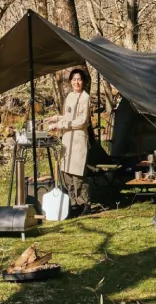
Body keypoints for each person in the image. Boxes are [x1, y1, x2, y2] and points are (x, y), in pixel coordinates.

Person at [46, 68, 92, 216]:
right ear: (70, 81)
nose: (76, 82)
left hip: (78, 138)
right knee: (66, 172)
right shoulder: (70, 96)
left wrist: (62, 125)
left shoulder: (85, 98)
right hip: (67, 138)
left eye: (79, 79)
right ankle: (74, 202)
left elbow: (82, 121)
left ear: (83, 82)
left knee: (77, 173)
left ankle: (85, 204)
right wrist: (56, 119)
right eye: (74, 80)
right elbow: (68, 116)